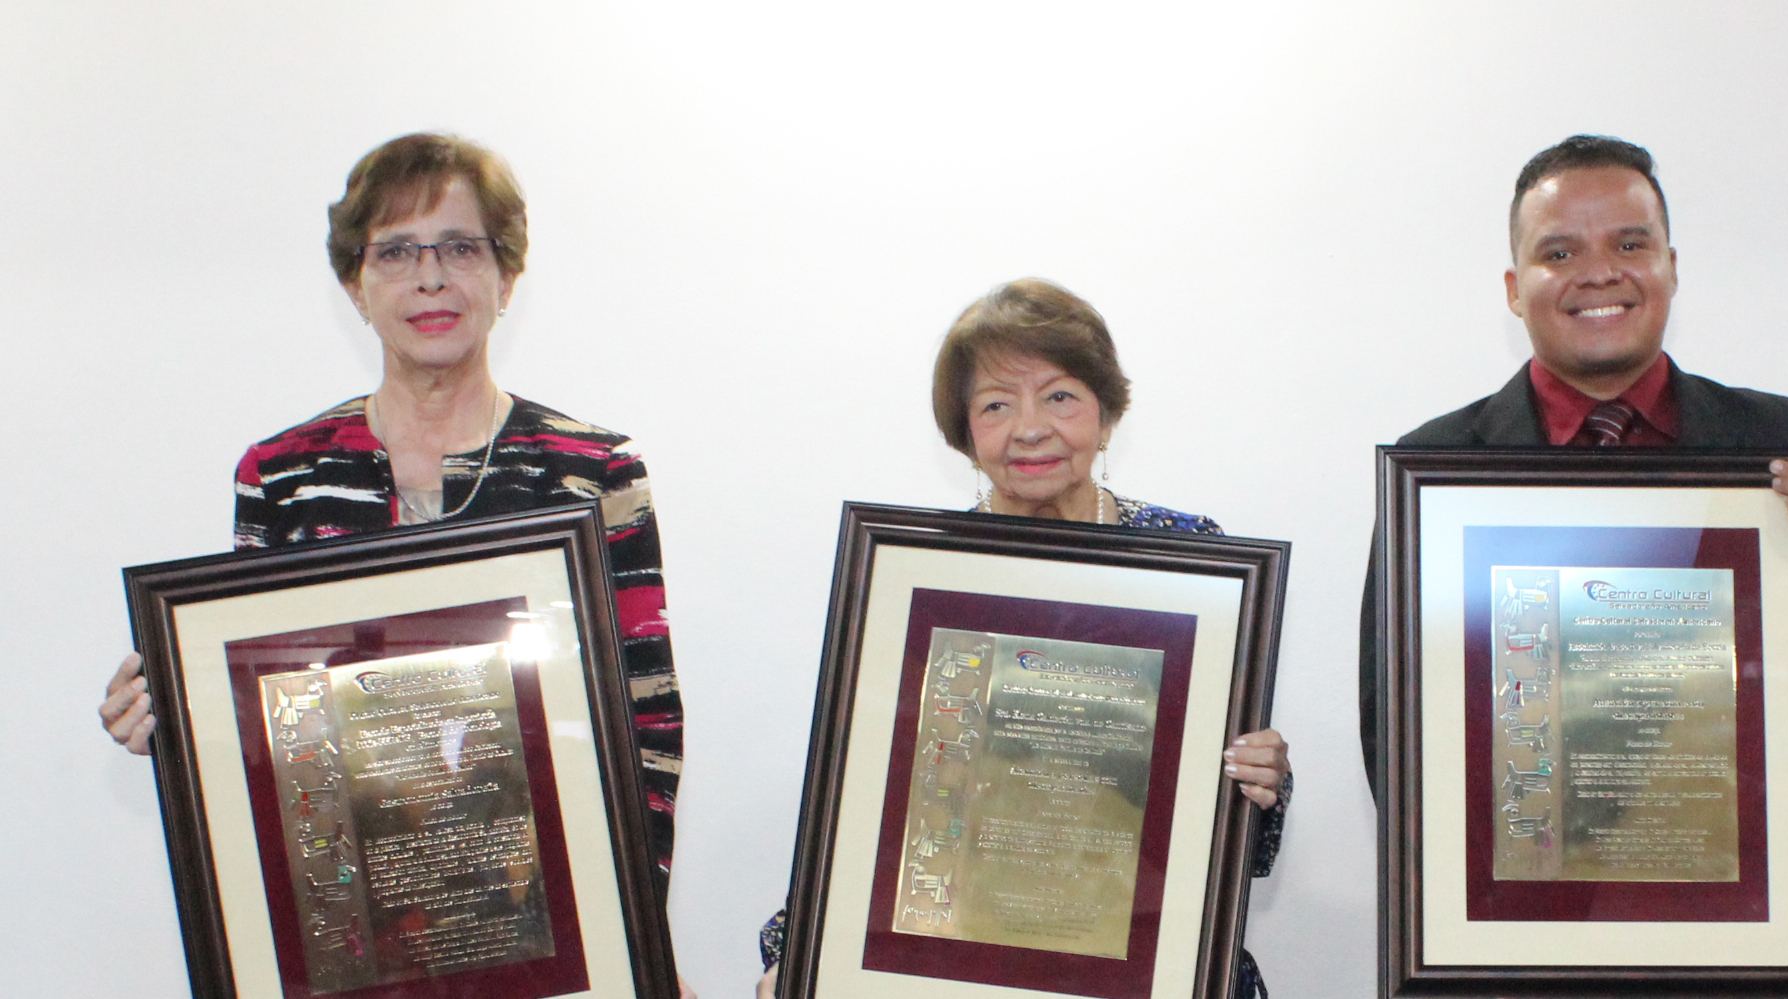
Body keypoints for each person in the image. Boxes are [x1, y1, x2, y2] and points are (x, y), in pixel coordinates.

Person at [95, 133, 694, 997]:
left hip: (552, 920)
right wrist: (179, 724)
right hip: (356, 944)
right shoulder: (284, 474)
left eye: (461, 246)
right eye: (397, 251)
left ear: (506, 275)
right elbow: (267, 723)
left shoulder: (594, 473)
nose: (431, 278)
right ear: (355, 283)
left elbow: (651, 723)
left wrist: (620, 927)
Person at [755, 279, 1292, 999]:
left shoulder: (1188, 560)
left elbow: (1232, 841)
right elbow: (872, 808)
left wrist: (1261, 778)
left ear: (1106, 417)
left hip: (1139, 954)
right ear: (966, 435)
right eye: (996, 404)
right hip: (962, 956)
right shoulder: (919, 586)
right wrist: (804, 957)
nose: (1029, 427)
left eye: (1060, 396)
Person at [1358, 134, 1788, 791]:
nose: (1600, 273)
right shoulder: (1437, 468)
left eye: (1630, 245)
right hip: (1518, 875)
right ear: (1515, 288)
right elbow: (1395, 731)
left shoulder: (1767, 439)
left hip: (1721, 865)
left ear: (1672, 267)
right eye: (1559, 252)